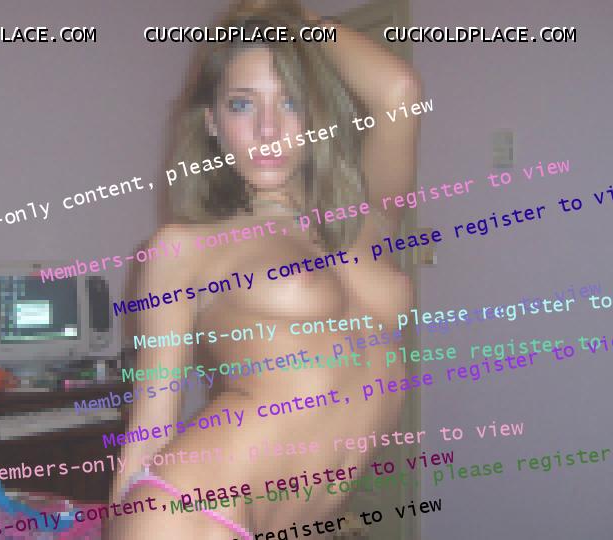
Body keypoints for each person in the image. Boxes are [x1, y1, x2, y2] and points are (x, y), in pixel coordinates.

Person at [105, 1, 421, 537]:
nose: (268, 128)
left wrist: (290, 23)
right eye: (242, 104)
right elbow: (150, 429)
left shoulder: (366, 218)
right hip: (190, 514)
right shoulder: (184, 248)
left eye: (291, 101)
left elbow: (399, 92)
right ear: (212, 122)